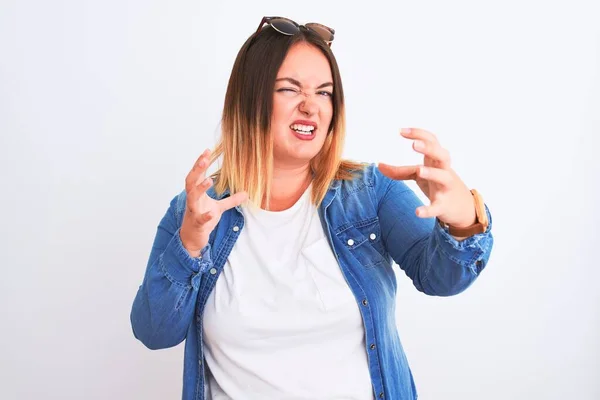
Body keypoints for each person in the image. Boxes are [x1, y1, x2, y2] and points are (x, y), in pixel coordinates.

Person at [130, 16, 494, 400]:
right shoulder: (198, 211)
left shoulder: (369, 193)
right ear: (249, 99)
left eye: (324, 92)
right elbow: (154, 332)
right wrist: (188, 246)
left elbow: (442, 278)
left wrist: (462, 223)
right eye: (290, 89)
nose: (311, 106)